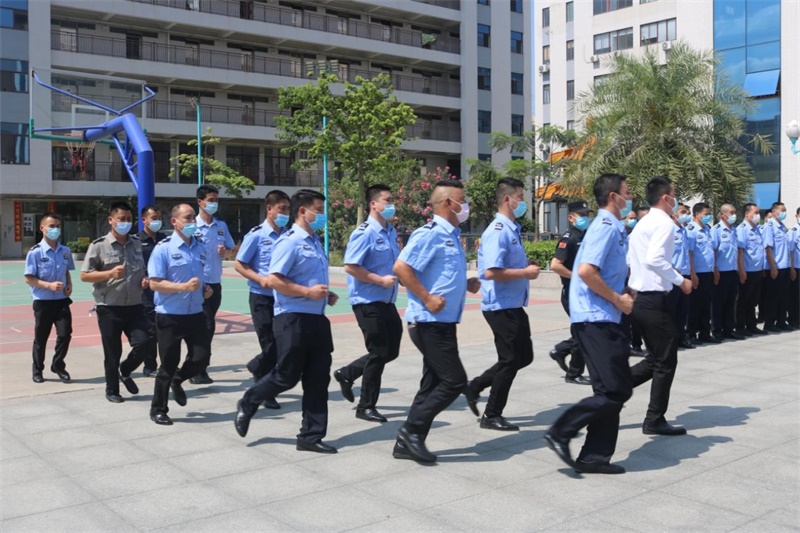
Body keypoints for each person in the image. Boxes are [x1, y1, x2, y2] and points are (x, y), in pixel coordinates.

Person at [234, 189, 340, 454]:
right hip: (292, 318)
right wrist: (306, 292)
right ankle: (250, 400)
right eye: (319, 209)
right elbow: (275, 280)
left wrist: (324, 294)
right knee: (287, 376)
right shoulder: (289, 241)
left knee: (318, 379)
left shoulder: (315, 241)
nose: (323, 215)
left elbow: (307, 278)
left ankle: (310, 436)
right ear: (303, 211)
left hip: (316, 318)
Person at [544, 174, 635, 475]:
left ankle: (594, 457)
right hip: (596, 318)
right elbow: (585, 271)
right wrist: (617, 299)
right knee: (615, 391)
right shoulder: (605, 227)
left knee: (609, 390)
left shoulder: (613, 227)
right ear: (613, 196)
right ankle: (562, 429)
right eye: (626, 192)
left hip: (605, 316)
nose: (630, 196)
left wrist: (626, 291)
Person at [391, 180, 481, 463]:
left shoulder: (452, 235)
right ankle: (410, 432)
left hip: (442, 322)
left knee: (432, 383)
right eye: (461, 200)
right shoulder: (429, 234)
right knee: (454, 381)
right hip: (428, 321)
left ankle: (408, 443)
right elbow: (402, 268)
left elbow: (439, 273)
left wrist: (464, 283)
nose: (465, 206)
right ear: (447, 204)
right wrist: (427, 298)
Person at [464, 178, 540, 431]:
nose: (523, 202)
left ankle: (475, 386)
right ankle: (492, 414)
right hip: (500, 306)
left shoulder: (511, 229)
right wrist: (526, 273)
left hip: (513, 304)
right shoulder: (497, 231)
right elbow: (493, 271)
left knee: (524, 356)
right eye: (520, 196)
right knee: (510, 360)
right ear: (507, 199)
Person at [628, 176, 693, 436]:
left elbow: (634, 259)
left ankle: (614, 386)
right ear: (666, 198)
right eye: (674, 194)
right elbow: (655, 259)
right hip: (655, 300)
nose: (675, 200)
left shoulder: (643, 223)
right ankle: (654, 419)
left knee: (657, 357)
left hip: (642, 299)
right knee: (666, 360)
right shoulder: (664, 224)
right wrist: (680, 280)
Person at [333, 184, 403, 423]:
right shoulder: (364, 232)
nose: (392, 204)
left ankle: (347, 373)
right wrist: (380, 280)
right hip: (367, 300)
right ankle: (366, 406)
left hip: (386, 299)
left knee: (391, 350)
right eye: (387, 199)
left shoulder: (390, 231)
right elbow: (351, 266)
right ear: (374, 204)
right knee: (379, 351)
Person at [147, 203, 214, 425]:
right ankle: (158, 409)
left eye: (194, 217)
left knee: (200, 358)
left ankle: (178, 379)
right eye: (187, 218)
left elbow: (200, 277)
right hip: (170, 315)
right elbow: (155, 284)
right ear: (174, 222)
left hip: (195, 313)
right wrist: (183, 287)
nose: (192, 221)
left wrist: (205, 289)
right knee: (168, 363)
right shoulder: (163, 249)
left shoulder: (200, 247)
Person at [80, 201, 149, 403]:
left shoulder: (136, 243)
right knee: (112, 351)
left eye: (129, 219)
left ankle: (125, 369)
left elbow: (141, 269)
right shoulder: (99, 245)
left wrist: (145, 281)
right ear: (111, 220)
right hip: (109, 307)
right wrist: (109, 273)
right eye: (121, 219)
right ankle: (112, 390)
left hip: (135, 305)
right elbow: (84, 275)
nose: (126, 223)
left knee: (143, 344)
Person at [234, 190, 290, 410]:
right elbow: (240, 264)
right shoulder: (256, 235)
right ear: (270, 209)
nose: (285, 213)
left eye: (287, 209)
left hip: (283, 298)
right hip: (262, 297)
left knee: (282, 344)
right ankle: (266, 390)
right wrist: (260, 278)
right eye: (282, 209)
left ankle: (258, 365)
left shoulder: (289, 235)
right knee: (269, 342)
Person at [189, 184, 235, 384]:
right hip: (197, 283)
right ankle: (197, 368)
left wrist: (226, 252)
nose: (214, 203)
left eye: (216, 200)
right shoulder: (192, 226)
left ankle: (197, 366)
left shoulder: (221, 226)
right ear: (200, 202)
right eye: (210, 200)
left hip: (215, 283)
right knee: (204, 325)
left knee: (207, 327)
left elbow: (232, 249)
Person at [24, 213, 74, 384]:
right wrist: (48, 285)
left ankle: (58, 365)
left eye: (58, 226)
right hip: (43, 301)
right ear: (42, 228)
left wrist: (69, 285)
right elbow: (29, 278)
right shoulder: (35, 252)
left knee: (65, 334)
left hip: (61, 300)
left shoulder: (65, 251)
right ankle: (37, 370)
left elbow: (67, 271)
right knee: (41, 337)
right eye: (51, 226)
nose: (55, 229)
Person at [549, 200, 592, 385]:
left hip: (584, 292)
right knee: (583, 332)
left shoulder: (586, 234)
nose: (585, 218)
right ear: (571, 217)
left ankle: (561, 350)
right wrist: (577, 277)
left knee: (582, 331)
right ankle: (573, 373)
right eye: (581, 215)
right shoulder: (569, 238)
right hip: (572, 293)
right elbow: (555, 265)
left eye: (586, 215)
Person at [137, 205, 168, 377]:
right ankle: (150, 365)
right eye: (153, 218)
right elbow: (134, 264)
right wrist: (141, 278)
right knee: (150, 331)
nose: (156, 221)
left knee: (166, 329)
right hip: (147, 292)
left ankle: (167, 363)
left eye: (158, 218)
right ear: (144, 220)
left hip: (164, 290)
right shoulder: (136, 240)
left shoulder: (165, 239)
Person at [686, 202, 720, 344]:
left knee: (706, 305)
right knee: (695, 305)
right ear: (697, 214)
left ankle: (705, 333)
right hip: (697, 272)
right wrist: (693, 274)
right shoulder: (691, 231)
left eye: (709, 214)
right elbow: (690, 254)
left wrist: (715, 270)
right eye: (706, 214)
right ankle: (691, 334)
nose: (708, 217)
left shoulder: (707, 229)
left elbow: (711, 252)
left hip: (708, 272)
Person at [710, 204, 743, 340]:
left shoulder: (734, 230)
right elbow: (712, 251)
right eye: (731, 212)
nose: (733, 215)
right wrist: (715, 269)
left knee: (731, 302)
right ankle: (717, 330)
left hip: (732, 270)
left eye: (735, 212)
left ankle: (729, 329)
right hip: (721, 271)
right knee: (718, 302)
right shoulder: (716, 230)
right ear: (723, 214)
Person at [735, 203, 766, 336]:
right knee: (743, 301)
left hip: (758, 270)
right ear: (747, 214)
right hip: (747, 271)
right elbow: (740, 251)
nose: (758, 215)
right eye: (755, 212)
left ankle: (751, 325)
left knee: (753, 301)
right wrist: (742, 271)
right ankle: (740, 327)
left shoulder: (757, 229)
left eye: (758, 212)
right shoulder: (742, 229)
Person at [762, 202, 792, 332]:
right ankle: (769, 323)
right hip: (775, 267)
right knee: (773, 297)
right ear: (774, 212)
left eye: (785, 210)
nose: (784, 212)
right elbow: (768, 248)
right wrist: (773, 267)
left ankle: (781, 321)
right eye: (781, 210)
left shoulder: (782, 226)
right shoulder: (770, 226)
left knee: (783, 296)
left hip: (785, 266)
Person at [669, 203, 695, 349]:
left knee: (682, 310)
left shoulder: (684, 231)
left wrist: (692, 274)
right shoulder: (669, 230)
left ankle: (681, 337)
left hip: (685, 275)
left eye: (687, 212)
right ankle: (672, 339)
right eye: (683, 212)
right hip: (673, 277)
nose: (686, 214)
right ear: (674, 214)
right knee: (671, 311)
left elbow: (688, 254)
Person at [789, 207, 800, 329]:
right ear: (796, 215)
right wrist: (792, 268)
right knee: (795, 296)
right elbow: (791, 251)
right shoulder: (793, 231)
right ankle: (793, 319)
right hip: (797, 267)